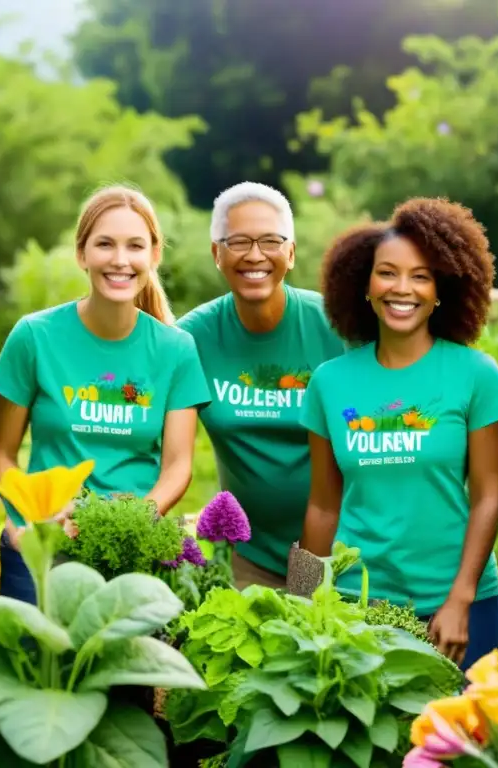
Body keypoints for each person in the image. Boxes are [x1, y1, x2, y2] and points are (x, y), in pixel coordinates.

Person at [295, 197, 498, 667]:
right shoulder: (330, 382)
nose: (402, 288)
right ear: (364, 285)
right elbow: (322, 505)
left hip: (456, 609)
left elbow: (488, 498)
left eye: (421, 275)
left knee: (465, 739)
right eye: (387, 273)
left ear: (441, 290)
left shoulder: (476, 375)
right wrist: (299, 604)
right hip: (358, 606)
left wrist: (461, 599)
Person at [0, 185, 210, 603]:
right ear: (82, 253)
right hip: (41, 548)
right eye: (105, 244)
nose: (120, 260)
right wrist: (25, 524)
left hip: (130, 556)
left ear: (154, 256)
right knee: (36, 668)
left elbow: (178, 466)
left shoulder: (175, 350)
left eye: (135, 246)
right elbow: (1, 452)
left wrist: (132, 521)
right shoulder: (34, 337)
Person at [178, 182, 345, 589]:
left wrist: (309, 581)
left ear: (290, 252)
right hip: (248, 559)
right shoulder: (192, 339)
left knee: (324, 646)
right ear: (217, 254)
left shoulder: (337, 328)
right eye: (238, 242)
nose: (255, 255)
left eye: (271, 240)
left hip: (345, 553)